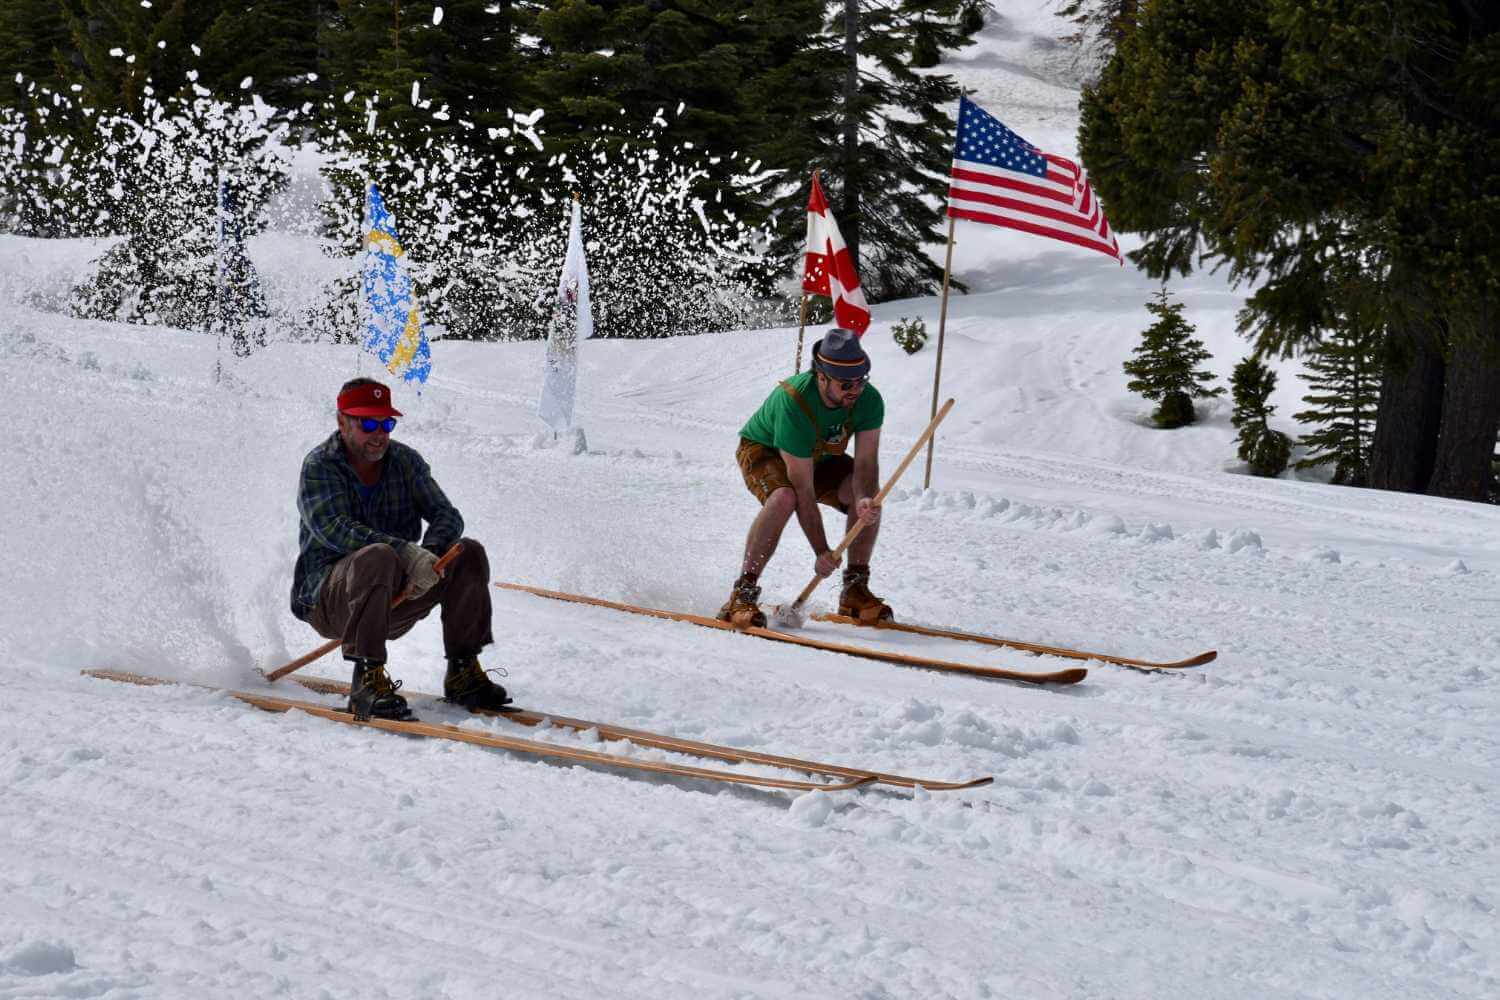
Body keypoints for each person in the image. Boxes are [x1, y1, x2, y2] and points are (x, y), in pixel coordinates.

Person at [290, 377, 511, 721]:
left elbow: (446, 515)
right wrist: (409, 553)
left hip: (397, 594)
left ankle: (463, 672)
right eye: (368, 423)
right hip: (330, 602)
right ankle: (366, 681)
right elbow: (333, 528)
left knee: (467, 552)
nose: (379, 433)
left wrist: (431, 556)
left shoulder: (405, 462)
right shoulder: (319, 466)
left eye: (386, 423)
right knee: (379, 555)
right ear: (342, 422)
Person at [719, 327, 890, 628]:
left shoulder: (869, 400)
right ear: (821, 377)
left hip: (819, 455)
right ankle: (742, 593)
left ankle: (855, 589)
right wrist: (821, 550)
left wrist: (864, 499)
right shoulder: (795, 402)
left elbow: (865, 465)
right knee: (785, 497)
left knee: (865, 495)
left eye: (861, 380)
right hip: (766, 451)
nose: (855, 389)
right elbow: (803, 490)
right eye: (846, 383)